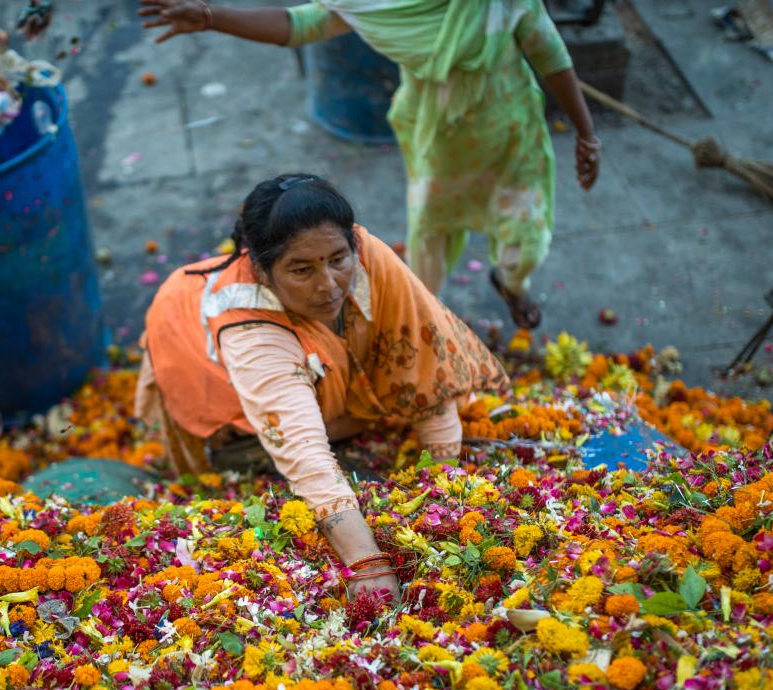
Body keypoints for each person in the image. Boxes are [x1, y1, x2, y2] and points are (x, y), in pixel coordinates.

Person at [135, 174, 510, 601]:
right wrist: (367, 563)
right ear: (262, 270)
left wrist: (445, 491)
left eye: (337, 259)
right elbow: (304, 453)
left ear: (353, 243)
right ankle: (242, 448)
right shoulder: (249, 329)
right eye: (301, 270)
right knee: (270, 451)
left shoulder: (367, 256)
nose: (329, 284)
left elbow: (422, 362)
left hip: (306, 370)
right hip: (207, 370)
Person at [139, 0, 601, 329]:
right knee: (430, 245)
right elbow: (298, 25)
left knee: (525, 241)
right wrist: (209, 16)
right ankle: (426, 327)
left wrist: (586, 132)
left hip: (510, 131)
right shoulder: (369, 4)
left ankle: (511, 283)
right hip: (437, 136)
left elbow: (550, 55)